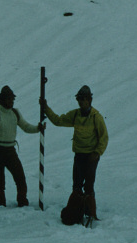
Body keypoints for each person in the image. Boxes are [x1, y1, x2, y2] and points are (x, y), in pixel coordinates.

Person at [41, 84, 108, 220]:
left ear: (89, 100)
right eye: (79, 99)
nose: (81, 101)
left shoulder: (96, 117)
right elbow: (58, 120)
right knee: (77, 185)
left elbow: (104, 137)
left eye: (83, 99)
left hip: (91, 156)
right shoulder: (76, 114)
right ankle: (77, 212)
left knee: (88, 186)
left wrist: (97, 153)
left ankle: (90, 212)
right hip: (79, 155)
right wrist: (46, 108)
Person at [0, 85, 43, 207]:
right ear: (2, 100)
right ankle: (1, 204)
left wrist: (37, 128)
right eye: (9, 99)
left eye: (12, 99)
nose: (11, 101)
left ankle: (22, 201)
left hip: (10, 150)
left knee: (20, 177)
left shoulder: (15, 113)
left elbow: (25, 126)